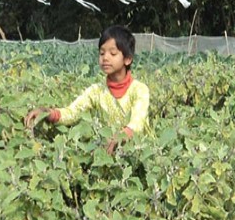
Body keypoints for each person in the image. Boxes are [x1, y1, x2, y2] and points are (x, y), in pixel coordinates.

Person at [24, 25, 149, 154]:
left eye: (113, 53)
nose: (105, 58)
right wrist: (46, 112)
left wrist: (120, 136)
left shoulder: (139, 90)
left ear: (128, 59)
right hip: (109, 155)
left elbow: (137, 124)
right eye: (102, 53)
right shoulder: (96, 91)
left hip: (138, 155)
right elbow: (71, 113)